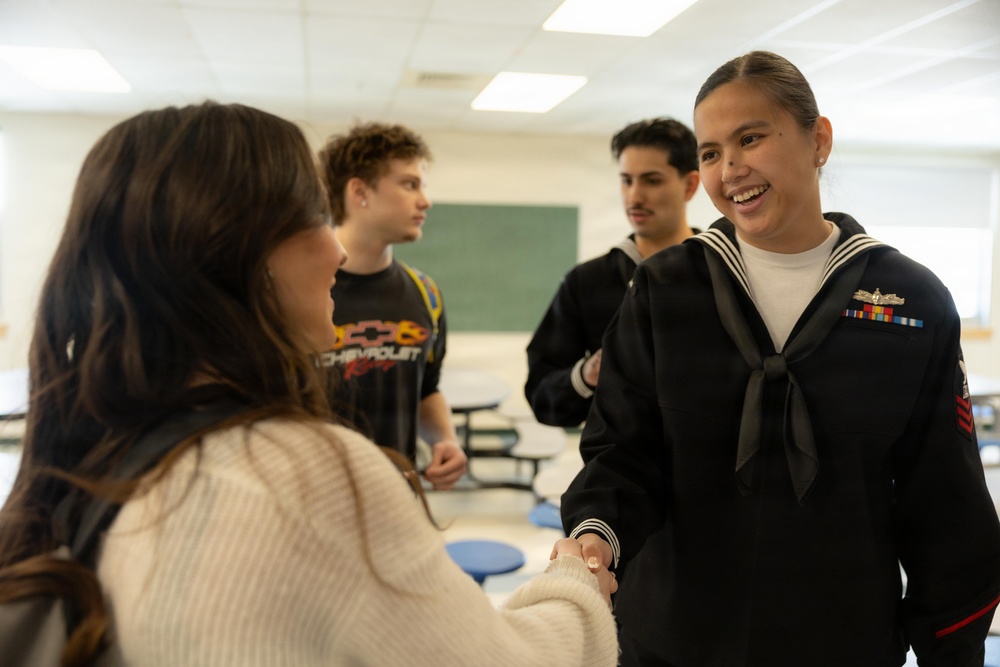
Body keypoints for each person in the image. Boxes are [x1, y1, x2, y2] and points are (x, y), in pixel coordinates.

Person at [0, 102, 619, 665]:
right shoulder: (307, 475)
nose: (336, 251)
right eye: (315, 217)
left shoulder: (100, 440)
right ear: (242, 253)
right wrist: (574, 582)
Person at [559, 51, 1000, 666]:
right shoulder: (663, 290)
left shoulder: (911, 298)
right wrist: (594, 536)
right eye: (710, 153)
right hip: (675, 638)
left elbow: (944, 494)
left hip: (840, 638)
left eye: (751, 138)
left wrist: (951, 646)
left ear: (817, 139)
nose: (730, 168)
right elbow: (622, 452)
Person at [317, 123, 466, 490]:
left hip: (401, 505)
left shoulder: (425, 293)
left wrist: (444, 440)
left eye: (422, 185)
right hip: (316, 511)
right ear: (359, 191)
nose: (425, 200)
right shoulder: (305, 289)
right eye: (409, 184)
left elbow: (426, 389)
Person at [525, 118, 701, 427]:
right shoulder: (586, 282)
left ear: (690, 185)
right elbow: (542, 397)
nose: (634, 197)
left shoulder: (721, 271)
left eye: (652, 180)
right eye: (626, 180)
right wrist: (589, 373)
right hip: (616, 470)